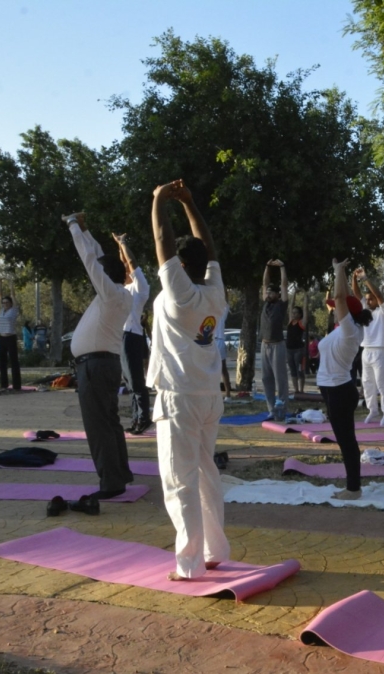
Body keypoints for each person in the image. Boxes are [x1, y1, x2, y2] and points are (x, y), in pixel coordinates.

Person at [147, 180, 229, 581]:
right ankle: (213, 550)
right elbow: (208, 248)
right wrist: (191, 203)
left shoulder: (180, 293)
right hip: (207, 396)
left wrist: (160, 200)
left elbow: (163, 241)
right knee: (204, 474)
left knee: (180, 481)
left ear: (180, 269)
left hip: (179, 397)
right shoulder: (215, 292)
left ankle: (190, 564)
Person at [63, 212, 134, 500]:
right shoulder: (121, 294)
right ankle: (120, 474)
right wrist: (86, 229)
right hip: (104, 364)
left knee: (99, 425)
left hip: (95, 366)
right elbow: (100, 257)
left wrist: (72, 226)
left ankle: (112, 482)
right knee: (110, 422)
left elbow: (91, 261)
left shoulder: (111, 294)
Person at [318, 261, 373, 499]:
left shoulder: (351, 330)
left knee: (347, 442)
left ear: (347, 313)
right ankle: (352, 487)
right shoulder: (343, 329)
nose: (333, 308)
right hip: (332, 390)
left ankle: (353, 489)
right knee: (344, 440)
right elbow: (338, 300)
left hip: (340, 391)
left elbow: (340, 298)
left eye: (338, 308)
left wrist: (338, 271)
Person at [116, 234, 152, 434]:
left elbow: (131, 262)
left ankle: (143, 418)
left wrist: (123, 243)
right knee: (129, 382)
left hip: (132, 337)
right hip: (123, 337)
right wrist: (119, 247)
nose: (126, 271)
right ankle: (136, 418)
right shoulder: (125, 287)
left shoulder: (141, 288)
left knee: (137, 382)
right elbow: (123, 262)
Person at [354, 268, 384, 426]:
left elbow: (379, 295)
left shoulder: (383, 312)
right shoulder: (365, 311)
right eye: (367, 299)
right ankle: (373, 410)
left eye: (371, 299)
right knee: (367, 382)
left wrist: (365, 278)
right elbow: (357, 294)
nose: (369, 301)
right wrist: (354, 278)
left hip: (380, 351)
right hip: (366, 351)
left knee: (381, 382)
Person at [260, 260, 290, 416]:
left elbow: (284, 285)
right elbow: (264, 283)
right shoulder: (266, 303)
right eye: (268, 292)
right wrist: (267, 267)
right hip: (264, 345)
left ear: (278, 295)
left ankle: (283, 409)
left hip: (277, 345)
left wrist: (282, 267)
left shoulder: (281, 304)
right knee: (266, 379)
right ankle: (271, 410)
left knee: (281, 380)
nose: (268, 294)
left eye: (272, 293)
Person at [0, 280, 22, 391]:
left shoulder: (14, 311)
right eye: (3, 303)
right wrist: (0, 284)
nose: (5, 304)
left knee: (13, 361)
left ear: (10, 303)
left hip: (10, 337)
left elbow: (13, 296)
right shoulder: (1, 310)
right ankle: (4, 384)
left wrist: (11, 286)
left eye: (7, 302)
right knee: (2, 362)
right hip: (1, 338)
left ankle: (16, 385)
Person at [286, 304, 307, 397]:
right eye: (293, 313)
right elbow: (290, 308)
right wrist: (293, 293)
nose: (293, 314)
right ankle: (296, 390)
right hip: (289, 350)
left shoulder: (301, 323)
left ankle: (301, 390)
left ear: (299, 314)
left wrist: (305, 296)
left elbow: (305, 310)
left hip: (298, 350)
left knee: (300, 370)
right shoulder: (290, 322)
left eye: (295, 313)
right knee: (292, 370)